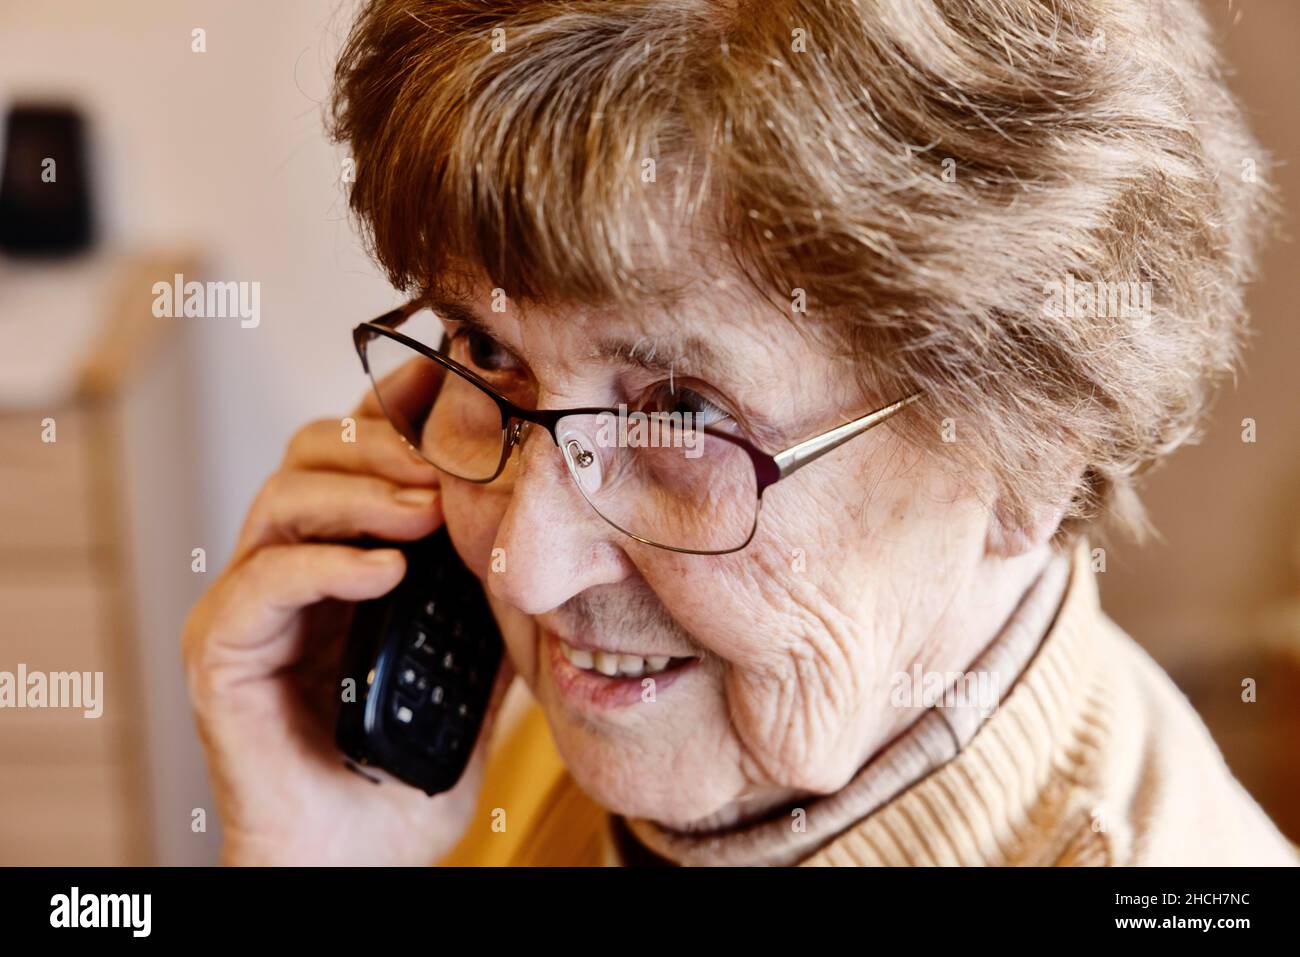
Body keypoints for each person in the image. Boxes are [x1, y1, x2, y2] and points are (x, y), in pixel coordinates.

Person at [182, 0, 1298, 865]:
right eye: (484, 349)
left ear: (1028, 456)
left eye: (681, 413)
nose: (522, 569)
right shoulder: (573, 732)